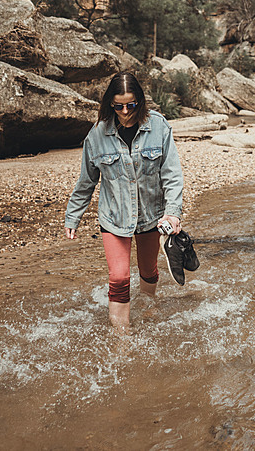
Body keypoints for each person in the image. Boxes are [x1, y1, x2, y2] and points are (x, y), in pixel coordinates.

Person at [64, 71, 183, 332]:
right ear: (110, 104)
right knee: (119, 278)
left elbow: (172, 175)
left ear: (140, 101)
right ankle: (121, 338)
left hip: (152, 214)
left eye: (131, 104)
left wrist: (173, 212)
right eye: (119, 106)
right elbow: (86, 180)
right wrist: (74, 215)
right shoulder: (96, 135)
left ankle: (149, 308)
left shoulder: (159, 126)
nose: (126, 111)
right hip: (114, 217)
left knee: (149, 270)